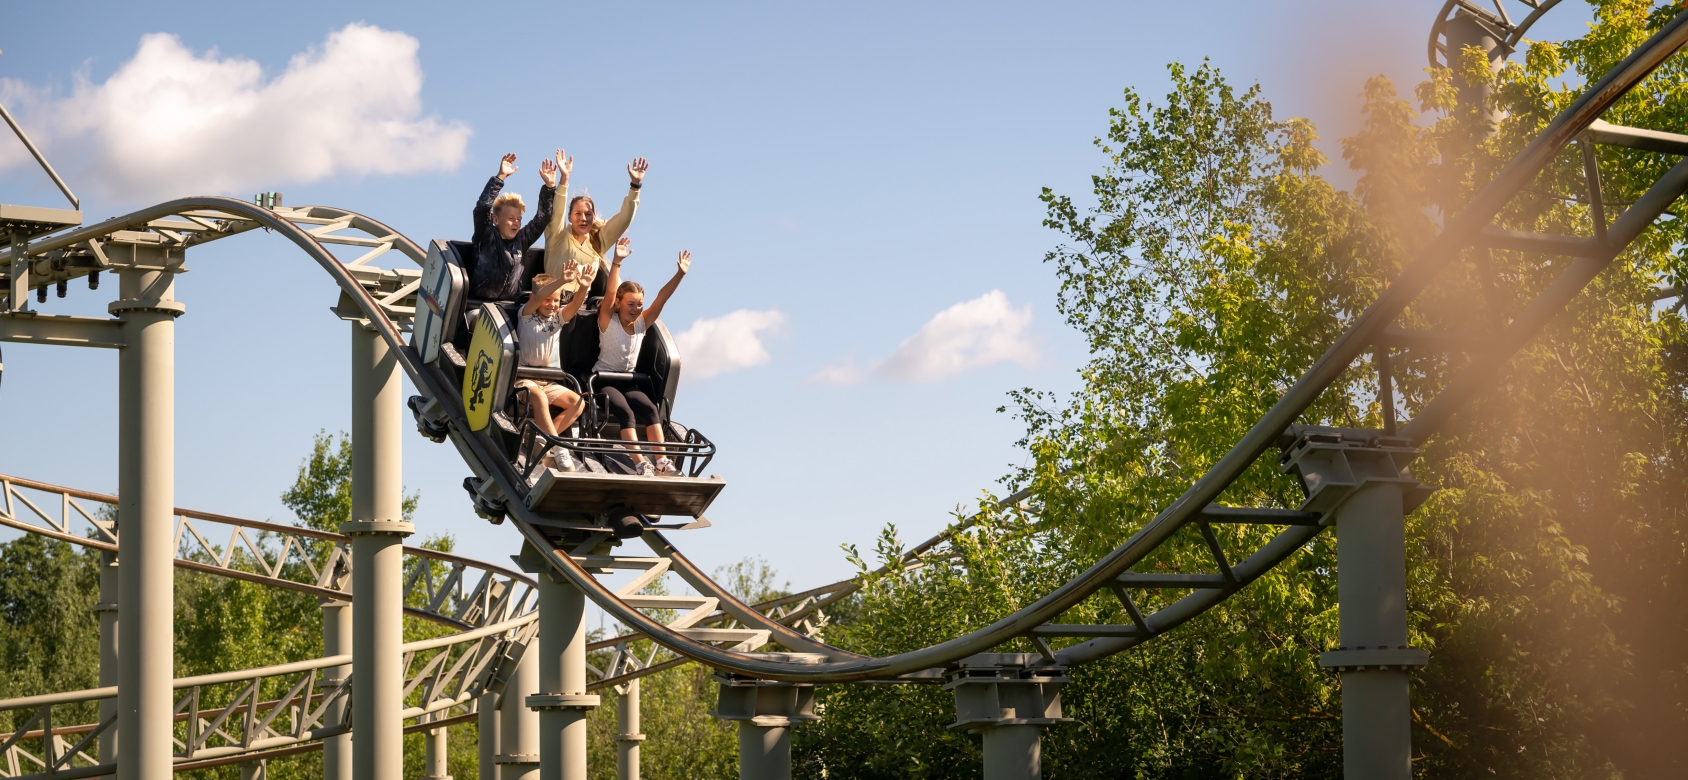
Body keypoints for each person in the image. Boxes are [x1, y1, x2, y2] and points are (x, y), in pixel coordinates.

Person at [595, 239, 690, 477]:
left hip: (629, 381)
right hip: (605, 380)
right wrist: (616, 262)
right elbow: (610, 291)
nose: (635, 309)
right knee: (626, 413)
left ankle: (661, 461)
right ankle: (641, 464)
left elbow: (661, 298)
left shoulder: (641, 324)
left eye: (639, 304)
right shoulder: (607, 320)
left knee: (650, 409)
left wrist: (679, 274)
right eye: (630, 304)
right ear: (619, 304)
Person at [517, 269, 592, 473]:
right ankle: (558, 448)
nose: (552, 304)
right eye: (547, 299)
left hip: (548, 380)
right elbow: (539, 297)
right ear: (534, 298)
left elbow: (574, 305)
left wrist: (584, 287)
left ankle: (541, 439)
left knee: (578, 403)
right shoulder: (526, 315)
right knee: (539, 397)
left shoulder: (557, 319)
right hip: (525, 379)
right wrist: (560, 280)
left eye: (556, 300)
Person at [544, 149, 646, 299]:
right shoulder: (558, 237)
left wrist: (635, 186)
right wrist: (564, 178)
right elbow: (557, 212)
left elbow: (624, 219)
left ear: (594, 217)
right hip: (554, 301)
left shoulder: (597, 241)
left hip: (581, 303)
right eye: (578, 214)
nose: (583, 218)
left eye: (588, 214)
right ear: (569, 217)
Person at [470, 153, 557, 301]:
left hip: (509, 306)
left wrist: (549, 187)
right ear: (496, 219)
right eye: (511, 219)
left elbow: (543, 218)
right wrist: (500, 177)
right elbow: (482, 208)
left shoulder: (521, 240)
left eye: (519, 219)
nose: (516, 222)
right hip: (479, 304)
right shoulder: (486, 235)